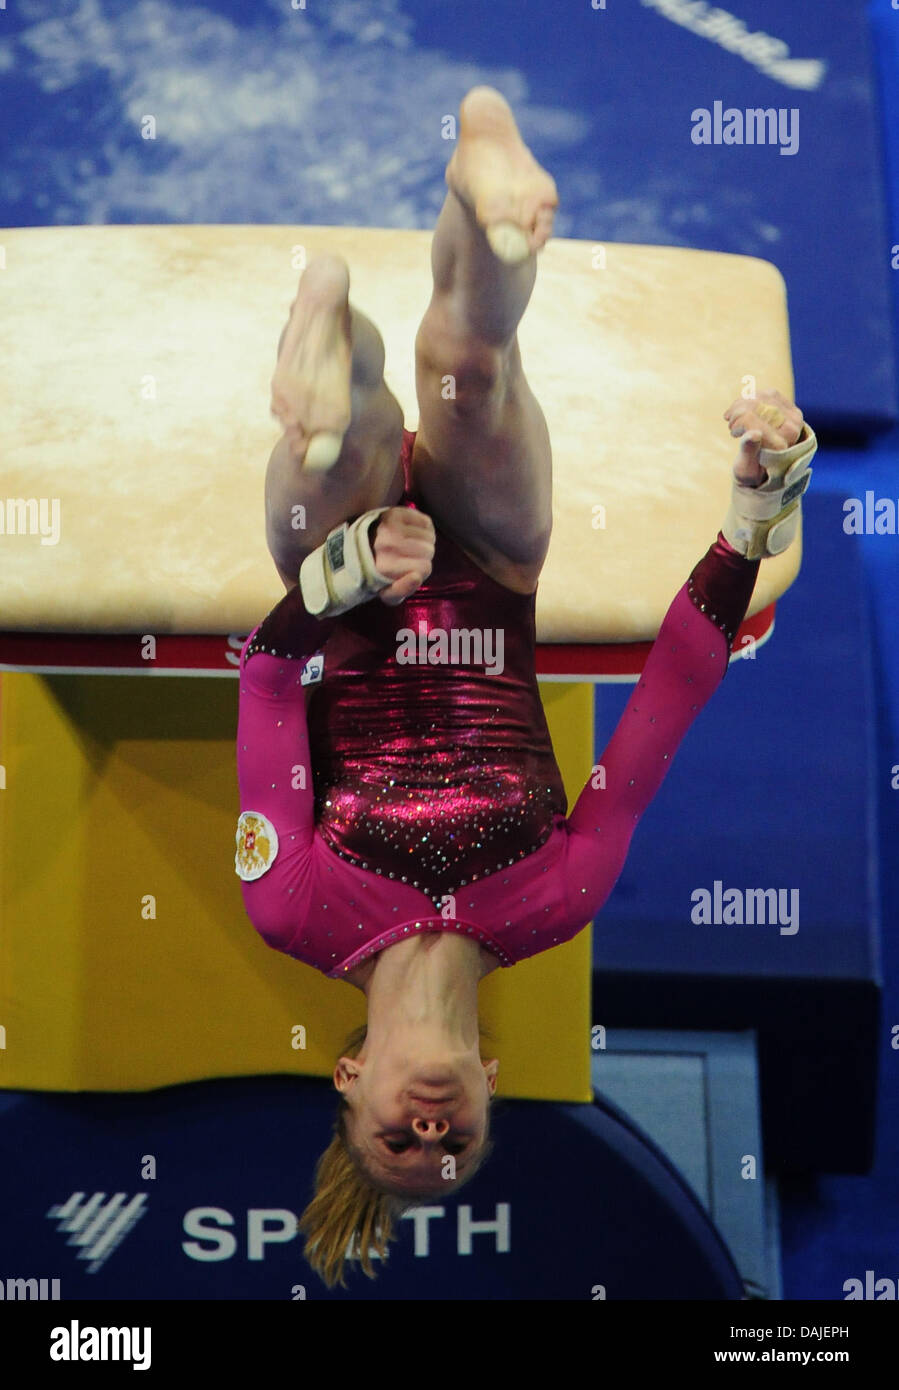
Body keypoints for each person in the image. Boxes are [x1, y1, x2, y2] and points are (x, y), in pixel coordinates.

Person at [234, 86, 817, 1288]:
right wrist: (753, 506)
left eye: (400, 1140)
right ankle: (479, 182)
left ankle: (325, 349)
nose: (431, 1124)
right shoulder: (554, 898)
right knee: (469, 370)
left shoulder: (293, 911)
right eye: (458, 1143)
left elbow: (265, 689)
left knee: (331, 452)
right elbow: (663, 703)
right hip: (495, 563)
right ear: (495, 1087)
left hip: (347, 583)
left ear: (349, 1080)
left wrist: (339, 581)